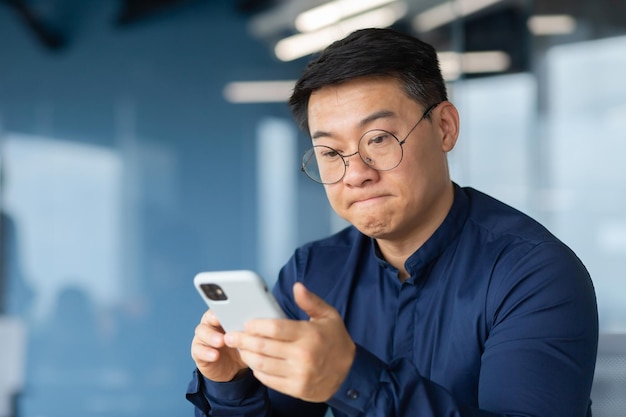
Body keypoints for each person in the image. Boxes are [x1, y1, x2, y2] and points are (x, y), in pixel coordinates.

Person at [187, 28, 598, 416]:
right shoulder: (312, 274)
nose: (355, 173)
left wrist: (349, 377)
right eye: (330, 152)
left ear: (445, 127)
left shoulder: (534, 274)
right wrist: (234, 382)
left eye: (379, 139)